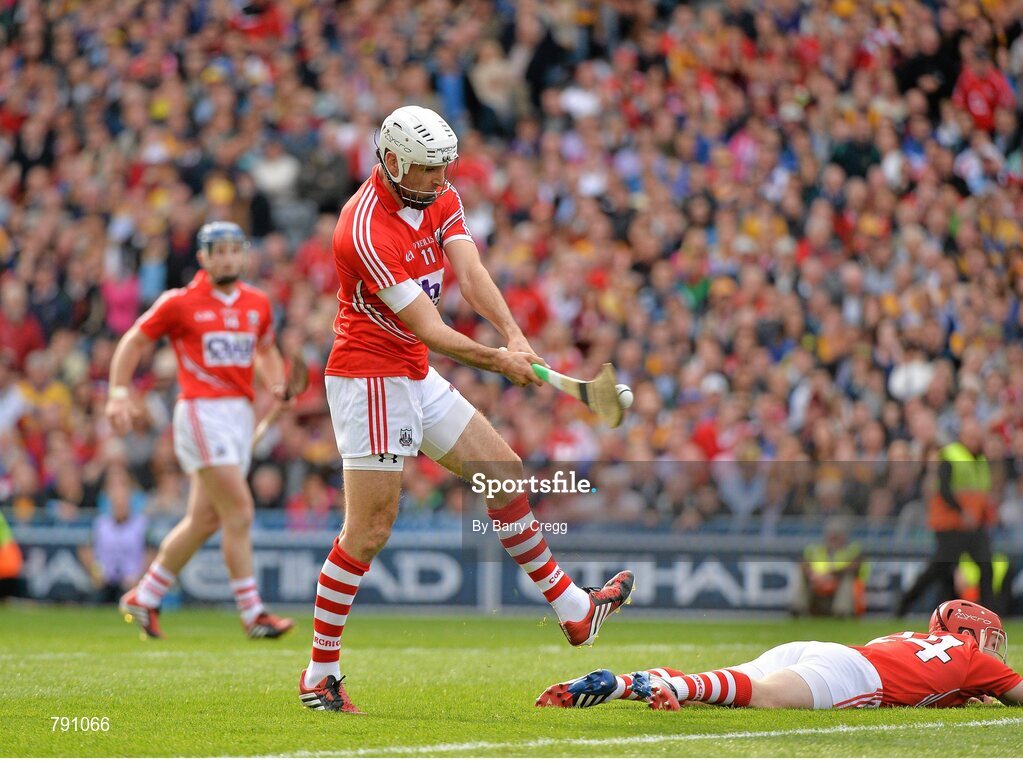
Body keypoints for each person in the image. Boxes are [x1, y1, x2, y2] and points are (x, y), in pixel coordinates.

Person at [299, 106, 633, 713]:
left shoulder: (438, 195)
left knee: (503, 471)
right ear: (392, 161)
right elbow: (433, 329)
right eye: (426, 170)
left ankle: (575, 611)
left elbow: (472, 274)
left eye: (441, 168)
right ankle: (320, 675)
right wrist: (499, 361)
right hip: (370, 376)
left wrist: (515, 335)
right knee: (368, 532)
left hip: (410, 370)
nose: (437, 180)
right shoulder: (363, 228)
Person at [105, 221, 294, 640]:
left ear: (244, 254)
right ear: (203, 257)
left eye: (233, 249)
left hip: (239, 415)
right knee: (240, 511)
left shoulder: (258, 303)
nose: (227, 257)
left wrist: (276, 384)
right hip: (200, 413)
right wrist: (118, 393)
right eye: (218, 250)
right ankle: (253, 613)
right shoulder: (180, 303)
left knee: (204, 520)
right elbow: (134, 341)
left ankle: (144, 596)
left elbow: (265, 351)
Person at [537, 599, 1022, 711]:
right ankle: (670, 688)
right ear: (969, 632)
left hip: (820, 649)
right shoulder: (973, 658)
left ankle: (620, 682)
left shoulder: (908, 636)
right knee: (763, 697)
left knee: (723, 680)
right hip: (854, 675)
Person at [896, 417, 995, 615]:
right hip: (950, 524)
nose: (975, 439)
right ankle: (904, 603)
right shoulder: (950, 455)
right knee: (939, 570)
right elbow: (944, 489)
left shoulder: (981, 459)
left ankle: (987, 614)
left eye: (977, 435)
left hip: (972, 524)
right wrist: (962, 511)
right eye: (971, 435)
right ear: (962, 436)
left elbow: (981, 493)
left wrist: (985, 516)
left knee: (985, 567)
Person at [791, 517, 867, 618]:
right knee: (800, 574)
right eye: (832, 534)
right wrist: (812, 574)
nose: (834, 538)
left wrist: (830, 575)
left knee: (848, 578)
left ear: (844, 536)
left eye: (837, 535)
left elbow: (853, 567)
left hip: (840, 585)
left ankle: (842, 612)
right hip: (818, 583)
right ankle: (797, 608)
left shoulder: (853, 549)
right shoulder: (815, 549)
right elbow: (803, 563)